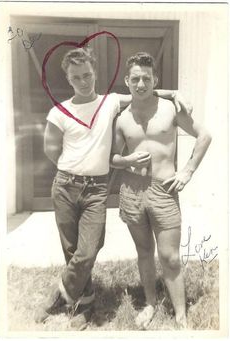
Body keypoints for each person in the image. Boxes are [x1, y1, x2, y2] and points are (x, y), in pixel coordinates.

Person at [34, 47, 192, 329]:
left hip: (96, 189)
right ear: (68, 80)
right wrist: (74, 166)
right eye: (76, 77)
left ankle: (60, 292)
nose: (83, 81)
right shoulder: (59, 112)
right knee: (73, 251)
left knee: (89, 248)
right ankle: (85, 303)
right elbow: (49, 150)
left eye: (87, 75)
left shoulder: (109, 103)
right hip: (65, 185)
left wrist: (175, 93)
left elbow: (144, 90)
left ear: (94, 73)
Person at [111, 52, 212, 330]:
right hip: (132, 191)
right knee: (144, 251)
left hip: (163, 191)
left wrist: (188, 171)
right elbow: (113, 157)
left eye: (146, 78)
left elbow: (204, 136)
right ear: (126, 81)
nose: (141, 83)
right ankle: (151, 303)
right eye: (135, 78)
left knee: (170, 256)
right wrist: (126, 160)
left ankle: (181, 315)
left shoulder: (171, 108)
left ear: (155, 79)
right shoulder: (121, 118)